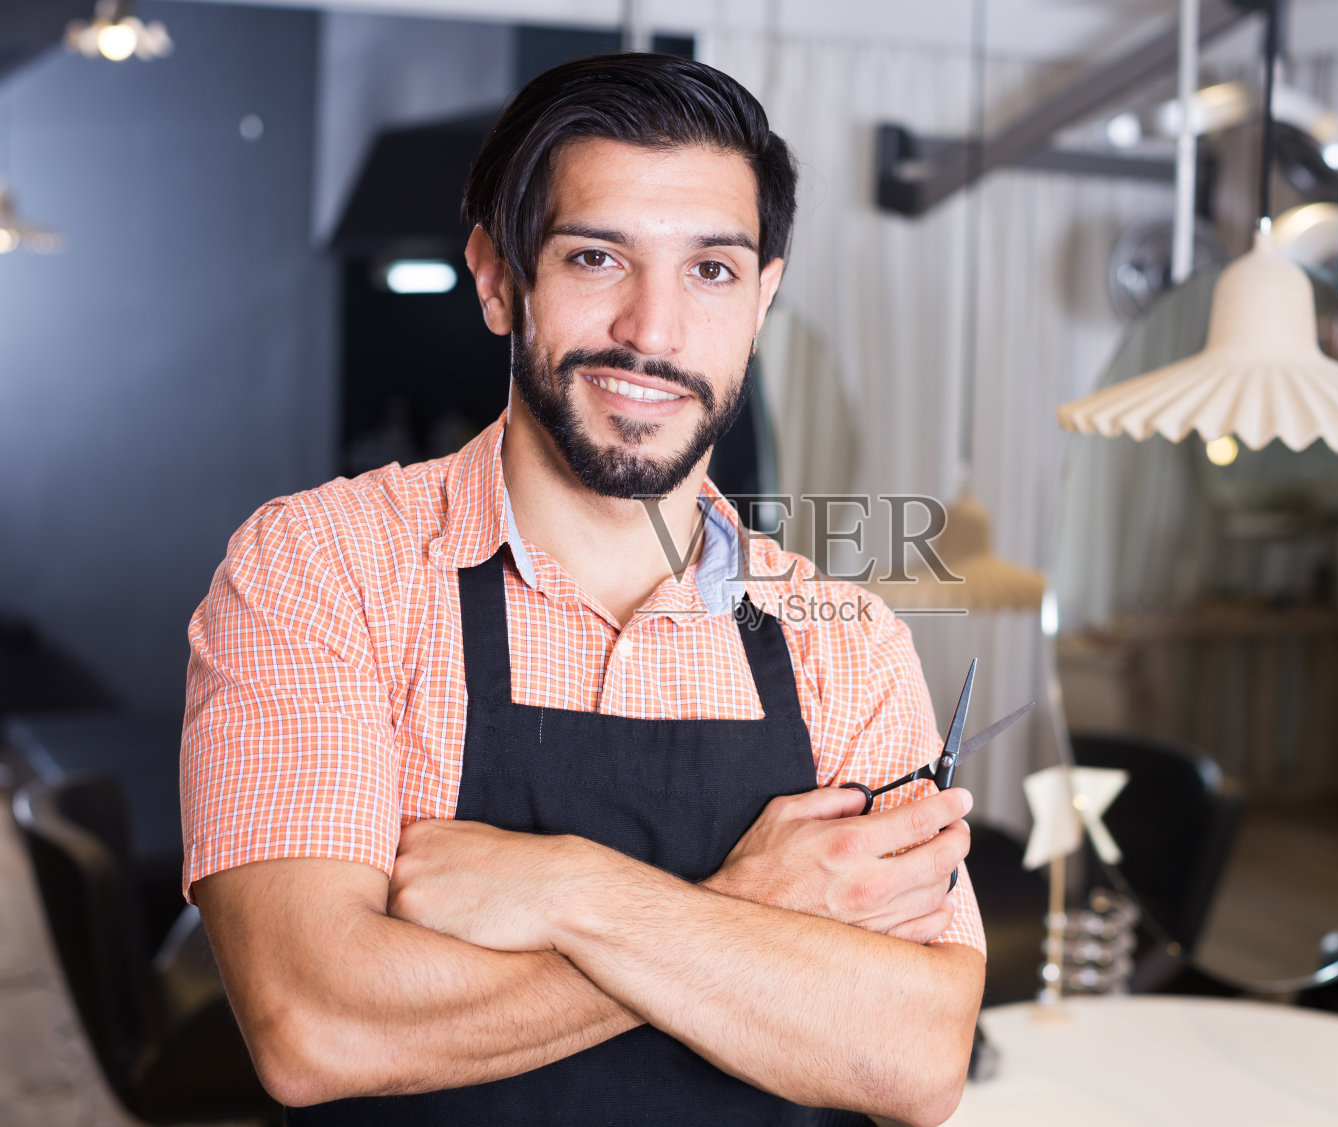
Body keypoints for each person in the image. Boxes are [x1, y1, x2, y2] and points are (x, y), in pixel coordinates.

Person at [182, 52, 984, 1127]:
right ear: (497, 275)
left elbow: (917, 1053)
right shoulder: (321, 570)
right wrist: (749, 912)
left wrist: (568, 891)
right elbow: (318, 1022)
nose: (653, 332)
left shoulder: (848, 644)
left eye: (712, 270)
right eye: (598, 256)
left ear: (762, 300)